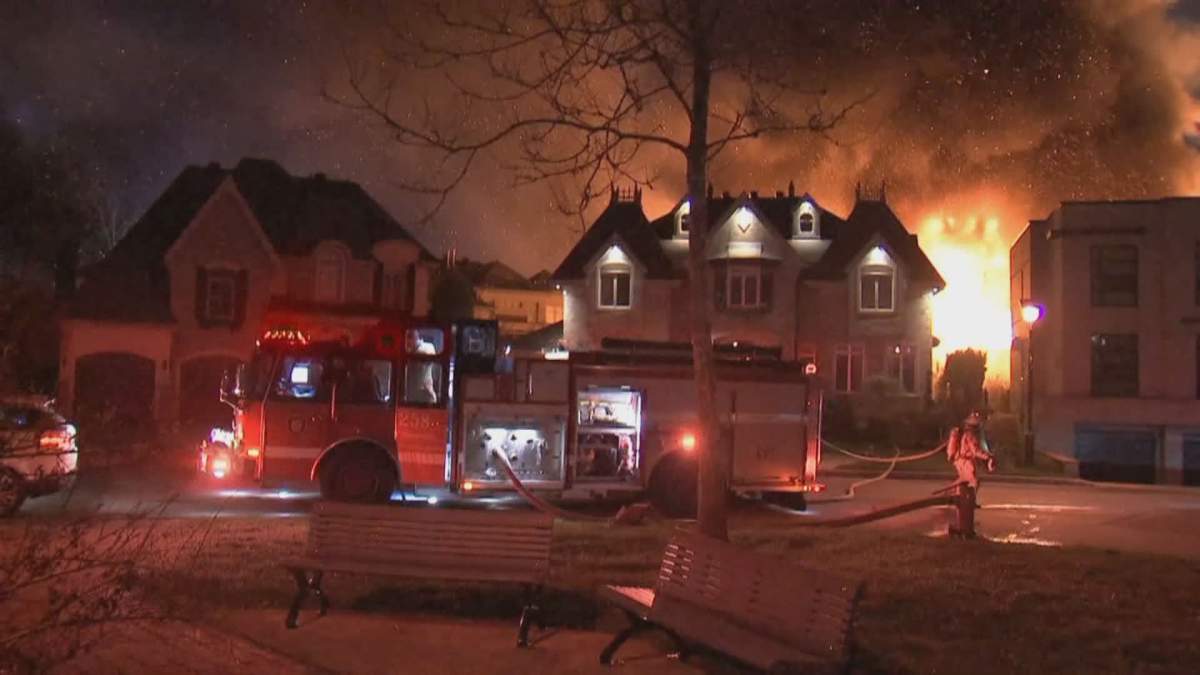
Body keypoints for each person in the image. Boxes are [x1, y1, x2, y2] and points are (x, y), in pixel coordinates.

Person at [946, 410, 996, 490]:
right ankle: (962, 498)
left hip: (960, 460)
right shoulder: (970, 435)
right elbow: (975, 450)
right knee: (974, 481)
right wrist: (987, 457)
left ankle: (960, 496)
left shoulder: (966, 433)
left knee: (965, 481)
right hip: (965, 461)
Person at [405, 329, 439, 404]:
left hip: (426, 397)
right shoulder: (410, 351)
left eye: (407, 339)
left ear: (412, 338)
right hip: (413, 397)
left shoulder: (427, 348)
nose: (406, 343)